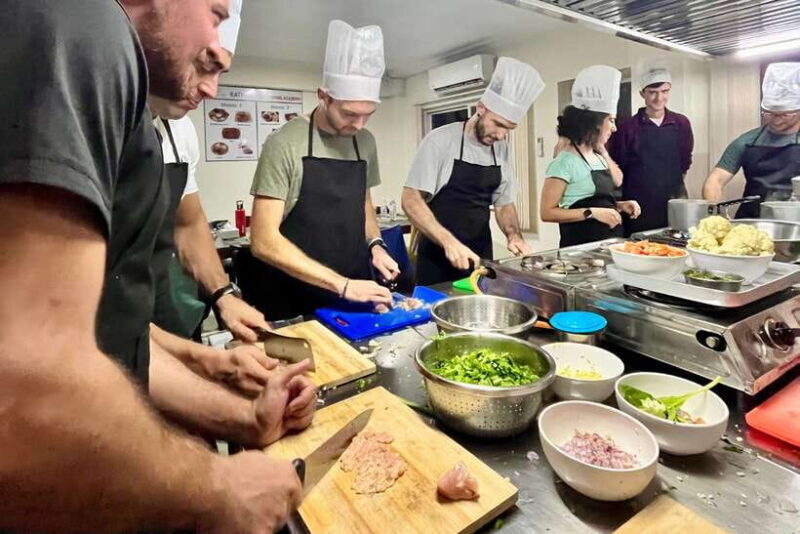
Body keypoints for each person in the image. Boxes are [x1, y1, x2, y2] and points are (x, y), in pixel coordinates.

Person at [0, 1, 313, 531]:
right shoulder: (82, 24)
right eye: (215, 14)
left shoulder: (140, 110)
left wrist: (245, 419)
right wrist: (219, 489)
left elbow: (112, 340)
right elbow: (25, 391)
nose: (212, 88)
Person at [247, 20, 399, 320]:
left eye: (368, 115)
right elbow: (262, 240)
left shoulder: (364, 142)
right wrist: (341, 285)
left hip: (355, 288)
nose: (359, 125)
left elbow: (364, 204)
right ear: (324, 96)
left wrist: (376, 245)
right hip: (293, 295)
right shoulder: (284, 143)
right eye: (350, 113)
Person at [150, 0, 270, 344]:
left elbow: (188, 224)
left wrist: (223, 295)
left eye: (219, 73)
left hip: (170, 317)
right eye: (204, 65)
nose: (210, 89)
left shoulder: (181, 131)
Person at [402, 57, 544, 285]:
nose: (500, 135)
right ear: (481, 108)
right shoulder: (440, 141)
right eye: (498, 124)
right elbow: (411, 200)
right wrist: (448, 242)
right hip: (437, 258)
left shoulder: (501, 148)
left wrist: (513, 235)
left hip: (480, 256)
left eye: (508, 129)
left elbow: (504, 203)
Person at [540, 65, 641, 247]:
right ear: (594, 124)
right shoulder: (564, 162)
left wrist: (619, 206)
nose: (614, 127)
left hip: (609, 246)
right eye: (610, 120)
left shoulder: (599, 158)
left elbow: (606, 195)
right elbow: (547, 213)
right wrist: (591, 213)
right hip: (579, 251)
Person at [703, 62, 800, 218]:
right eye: (769, 114)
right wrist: (716, 216)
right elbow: (715, 180)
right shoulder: (747, 141)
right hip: (751, 221)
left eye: (784, 115)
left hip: (794, 225)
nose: (776, 120)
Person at [608, 65, 694, 234]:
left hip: (672, 201)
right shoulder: (627, 127)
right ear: (642, 94)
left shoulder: (681, 123)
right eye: (652, 92)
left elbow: (685, 161)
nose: (659, 97)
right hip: (639, 204)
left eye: (664, 91)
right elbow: (618, 166)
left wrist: (672, 188)